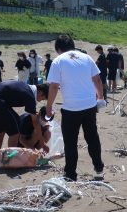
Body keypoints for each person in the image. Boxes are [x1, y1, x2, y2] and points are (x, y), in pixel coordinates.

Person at [46, 34, 106, 181]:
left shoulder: (58, 61)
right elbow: (97, 79)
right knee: (92, 137)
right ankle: (99, 169)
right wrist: (101, 98)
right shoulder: (87, 57)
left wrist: (49, 107)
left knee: (70, 142)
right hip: (89, 106)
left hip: (71, 108)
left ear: (58, 49)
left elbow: (54, 86)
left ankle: (71, 174)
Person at [0, 81, 49, 166]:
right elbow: (35, 122)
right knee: (15, 132)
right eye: (42, 99)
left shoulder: (26, 87)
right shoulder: (30, 95)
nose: (39, 101)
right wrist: (43, 144)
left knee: (0, 132)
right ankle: (9, 162)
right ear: (40, 92)